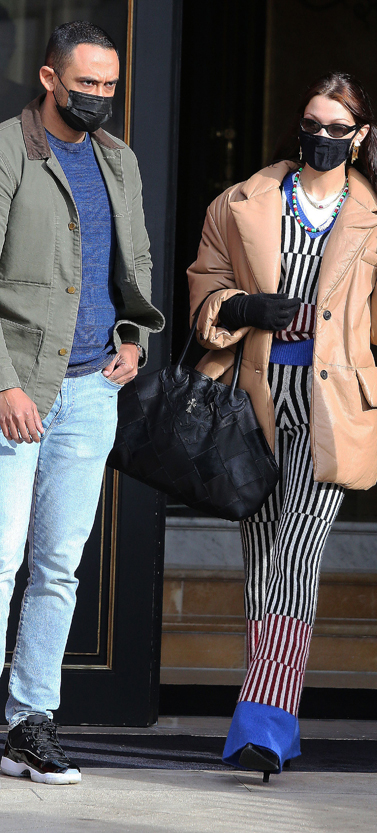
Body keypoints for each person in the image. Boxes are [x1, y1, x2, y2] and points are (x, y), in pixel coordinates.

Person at [187, 71, 377, 780]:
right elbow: (206, 284)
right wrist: (245, 308)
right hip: (254, 393)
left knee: (296, 551)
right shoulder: (242, 202)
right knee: (263, 554)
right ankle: (269, 723)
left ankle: (264, 721)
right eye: (310, 123)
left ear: (359, 137)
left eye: (335, 127)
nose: (319, 138)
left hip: (334, 405)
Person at [0, 21, 164, 785]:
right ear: (48, 78)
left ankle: (28, 722)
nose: (99, 96)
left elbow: (133, 260)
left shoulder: (118, 159)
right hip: (16, 390)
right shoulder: (9, 150)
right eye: (86, 82)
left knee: (58, 565)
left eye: (109, 84)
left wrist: (133, 336)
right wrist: (3, 381)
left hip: (92, 389)